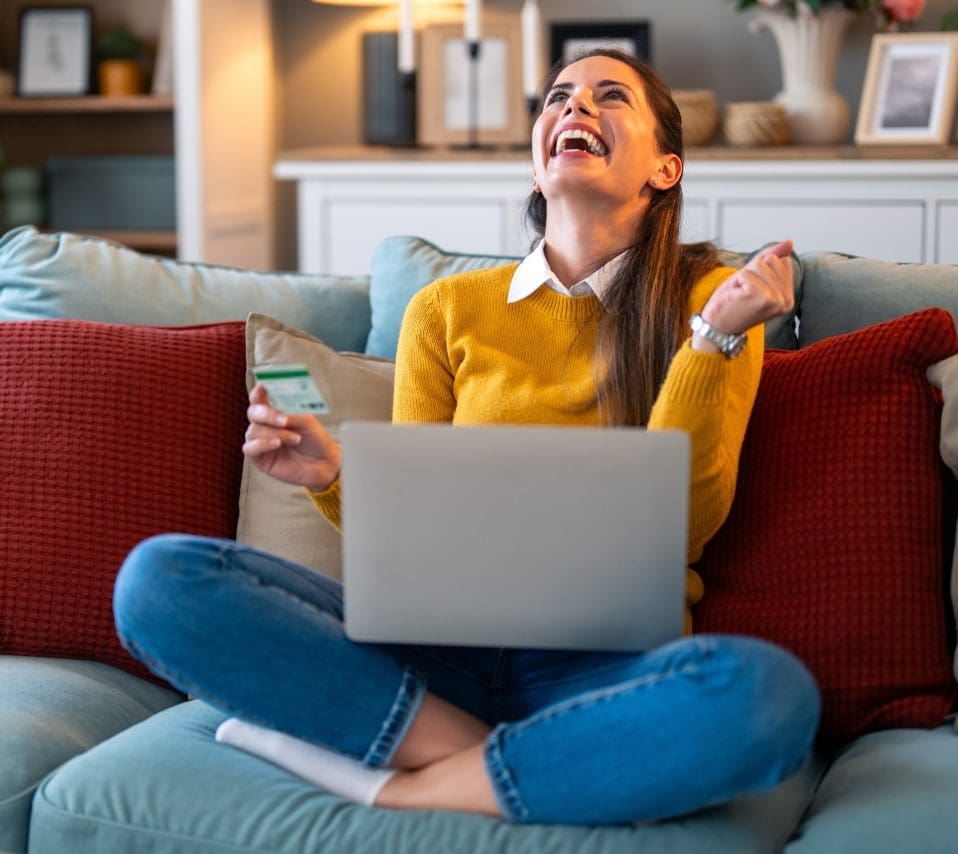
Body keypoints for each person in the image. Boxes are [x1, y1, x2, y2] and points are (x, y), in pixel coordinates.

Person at [113, 48, 820, 826]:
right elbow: (417, 541)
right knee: (160, 580)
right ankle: (513, 760)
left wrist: (712, 340)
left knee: (767, 695)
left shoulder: (716, 301)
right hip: (437, 652)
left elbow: (687, 523)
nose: (575, 107)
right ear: (538, 158)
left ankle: (410, 783)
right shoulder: (446, 309)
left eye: (610, 96)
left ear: (665, 168)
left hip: (603, 667)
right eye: (557, 97)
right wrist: (334, 475)